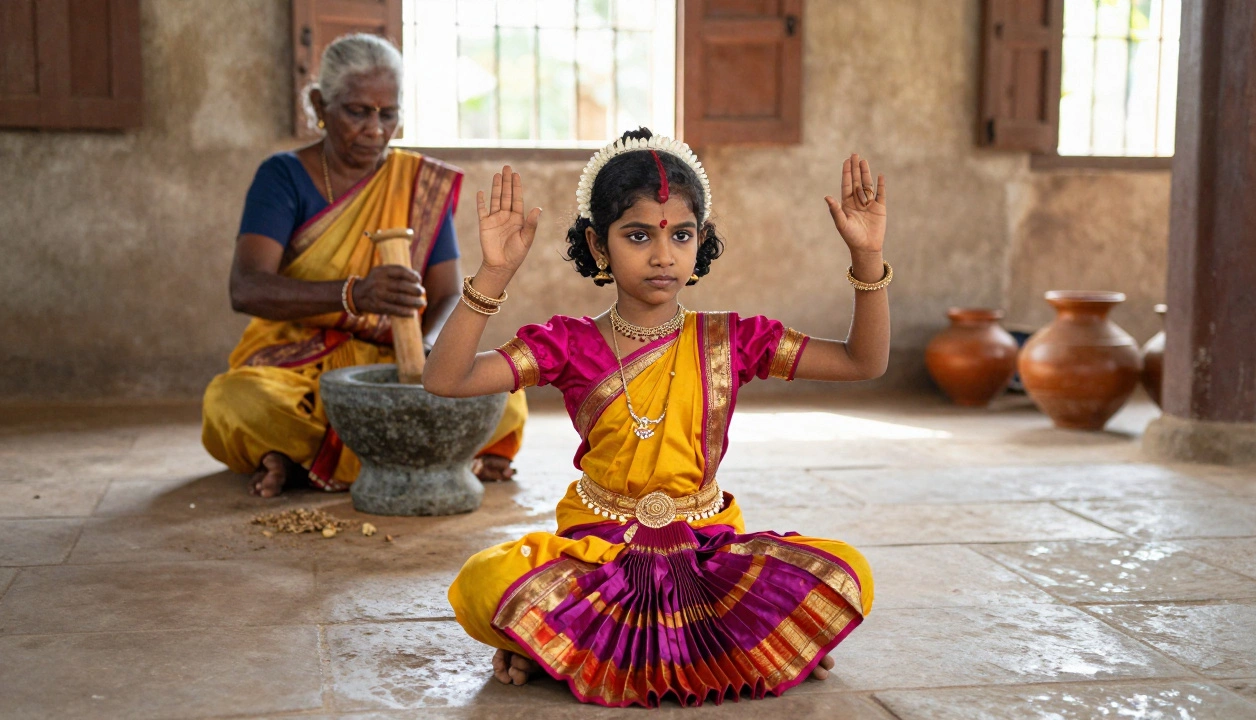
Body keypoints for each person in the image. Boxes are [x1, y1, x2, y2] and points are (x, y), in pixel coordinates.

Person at [423, 127, 889, 708]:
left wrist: (867, 258)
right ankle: (755, 646)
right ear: (598, 246)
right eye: (638, 235)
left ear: (701, 244)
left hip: (706, 550)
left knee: (850, 572)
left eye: (682, 235)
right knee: (480, 583)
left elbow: (862, 361)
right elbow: (444, 380)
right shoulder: (568, 344)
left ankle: (556, 647)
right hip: (602, 552)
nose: (663, 255)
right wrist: (493, 275)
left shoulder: (731, 340)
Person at [201, 34, 527, 497]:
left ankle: (299, 460)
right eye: (357, 111)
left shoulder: (418, 183)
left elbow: (448, 291)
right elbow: (247, 288)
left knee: (506, 401)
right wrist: (353, 295)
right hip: (296, 360)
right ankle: (421, 455)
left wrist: (431, 347)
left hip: (396, 354)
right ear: (320, 103)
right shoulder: (282, 176)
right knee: (235, 401)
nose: (375, 129)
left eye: (387, 113)